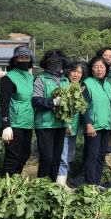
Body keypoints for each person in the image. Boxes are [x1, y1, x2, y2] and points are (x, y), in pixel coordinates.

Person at [32, 48, 69, 181]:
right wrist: (53, 102)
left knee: (56, 159)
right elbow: (36, 101)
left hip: (60, 124)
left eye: (58, 61)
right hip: (45, 124)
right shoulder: (41, 79)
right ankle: (41, 186)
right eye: (53, 61)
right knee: (47, 158)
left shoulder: (65, 80)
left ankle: (52, 187)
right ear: (47, 63)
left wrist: (68, 121)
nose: (56, 63)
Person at [0, 45, 36, 177]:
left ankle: (15, 181)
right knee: (12, 157)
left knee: (25, 155)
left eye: (27, 57)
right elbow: (4, 103)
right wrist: (6, 125)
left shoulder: (31, 77)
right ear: (15, 60)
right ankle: (5, 187)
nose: (24, 60)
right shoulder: (9, 78)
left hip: (28, 122)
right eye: (21, 58)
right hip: (14, 123)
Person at [81, 56, 111, 189]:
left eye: (102, 66)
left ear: (106, 69)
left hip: (105, 125)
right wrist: (88, 124)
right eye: (96, 66)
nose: (99, 69)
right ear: (91, 69)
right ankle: (90, 184)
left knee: (101, 156)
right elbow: (83, 106)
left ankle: (96, 183)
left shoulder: (107, 84)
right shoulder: (87, 83)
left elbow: (110, 105)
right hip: (93, 126)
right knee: (92, 156)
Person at [56, 60, 86, 188]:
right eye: (74, 71)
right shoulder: (63, 84)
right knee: (63, 154)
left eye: (79, 72)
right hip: (64, 126)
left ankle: (63, 180)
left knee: (70, 154)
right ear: (68, 72)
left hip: (73, 127)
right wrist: (65, 123)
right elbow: (60, 107)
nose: (76, 74)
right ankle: (60, 183)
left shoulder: (80, 86)